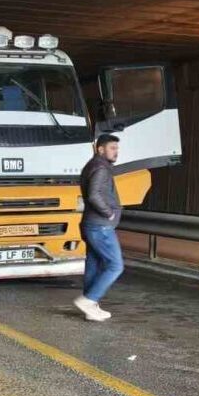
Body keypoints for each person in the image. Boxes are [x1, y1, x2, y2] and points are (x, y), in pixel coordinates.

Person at [74, 134, 124, 322]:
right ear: (100, 149)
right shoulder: (101, 168)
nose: (116, 152)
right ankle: (89, 300)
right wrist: (109, 213)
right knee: (115, 265)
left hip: (92, 224)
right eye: (112, 148)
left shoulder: (92, 166)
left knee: (94, 264)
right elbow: (94, 195)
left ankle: (91, 307)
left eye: (116, 148)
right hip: (100, 226)